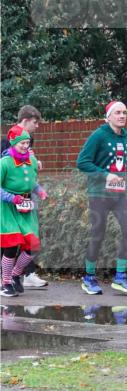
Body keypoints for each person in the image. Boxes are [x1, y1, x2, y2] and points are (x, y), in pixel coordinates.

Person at [76, 100, 127, 295]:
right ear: (109, 116)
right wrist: (105, 174)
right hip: (99, 194)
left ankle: (120, 277)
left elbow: (120, 159)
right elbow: (82, 162)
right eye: (118, 113)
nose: (122, 116)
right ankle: (89, 277)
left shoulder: (125, 135)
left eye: (124, 113)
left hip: (119, 193)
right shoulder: (98, 136)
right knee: (98, 235)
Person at [4, 105, 48, 288]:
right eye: (35, 122)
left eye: (27, 144)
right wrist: (10, 197)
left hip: (26, 198)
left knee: (29, 240)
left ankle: (22, 274)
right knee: (10, 242)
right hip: (8, 201)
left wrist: (38, 187)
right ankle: (7, 279)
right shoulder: (6, 145)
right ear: (25, 121)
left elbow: (28, 170)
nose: (37, 126)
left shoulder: (29, 143)